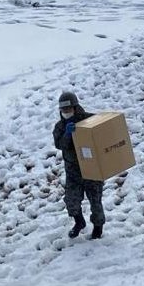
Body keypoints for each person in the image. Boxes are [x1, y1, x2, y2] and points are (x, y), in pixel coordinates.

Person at [53, 91, 105, 239]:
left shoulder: (90, 119)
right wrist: (67, 135)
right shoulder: (60, 126)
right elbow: (59, 145)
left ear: (75, 107)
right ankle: (79, 222)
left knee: (96, 202)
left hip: (92, 169)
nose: (66, 113)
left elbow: (103, 133)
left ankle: (98, 228)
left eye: (68, 109)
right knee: (71, 201)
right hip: (73, 172)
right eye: (63, 110)